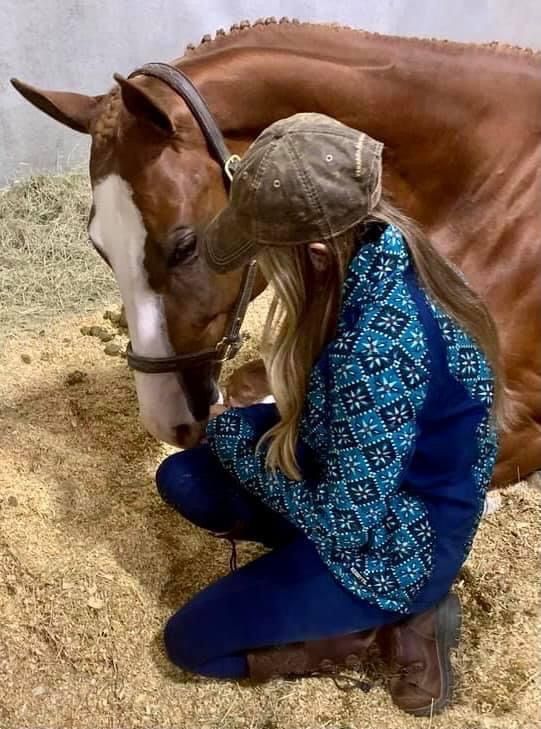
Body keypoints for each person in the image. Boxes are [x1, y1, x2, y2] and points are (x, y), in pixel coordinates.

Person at [155, 113, 502, 717]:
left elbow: (345, 524)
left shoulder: (376, 348)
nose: (263, 269)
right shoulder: (378, 252)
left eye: (268, 255)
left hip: (397, 540)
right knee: (183, 478)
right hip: (358, 472)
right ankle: (314, 582)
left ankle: (381, 621)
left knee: (190, 644)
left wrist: (232, 436)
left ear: (315, 255)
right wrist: (268, 393)